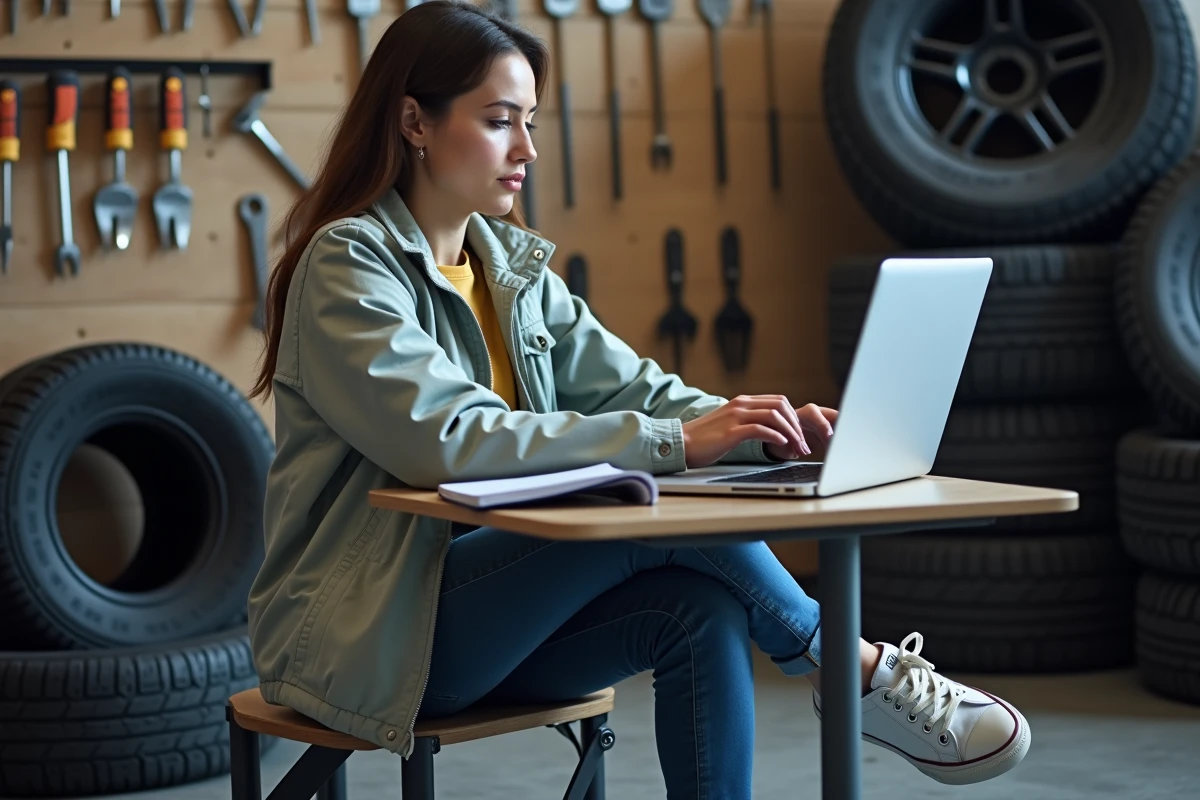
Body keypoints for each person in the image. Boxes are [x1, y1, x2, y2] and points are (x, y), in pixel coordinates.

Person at [244, 1, 1031, 796]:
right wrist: (675, 444)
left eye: (532, 123)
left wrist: (764, 430)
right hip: (371, 636)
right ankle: (851, 666)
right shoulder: (348, 265)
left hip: (489, 623)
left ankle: (835, 674)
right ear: (414, 121)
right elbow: (444, 439)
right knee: (635, 519)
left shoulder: (509, 272)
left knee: (700, 613)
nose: (528, 149)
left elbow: (637, 388)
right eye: (499, 121)